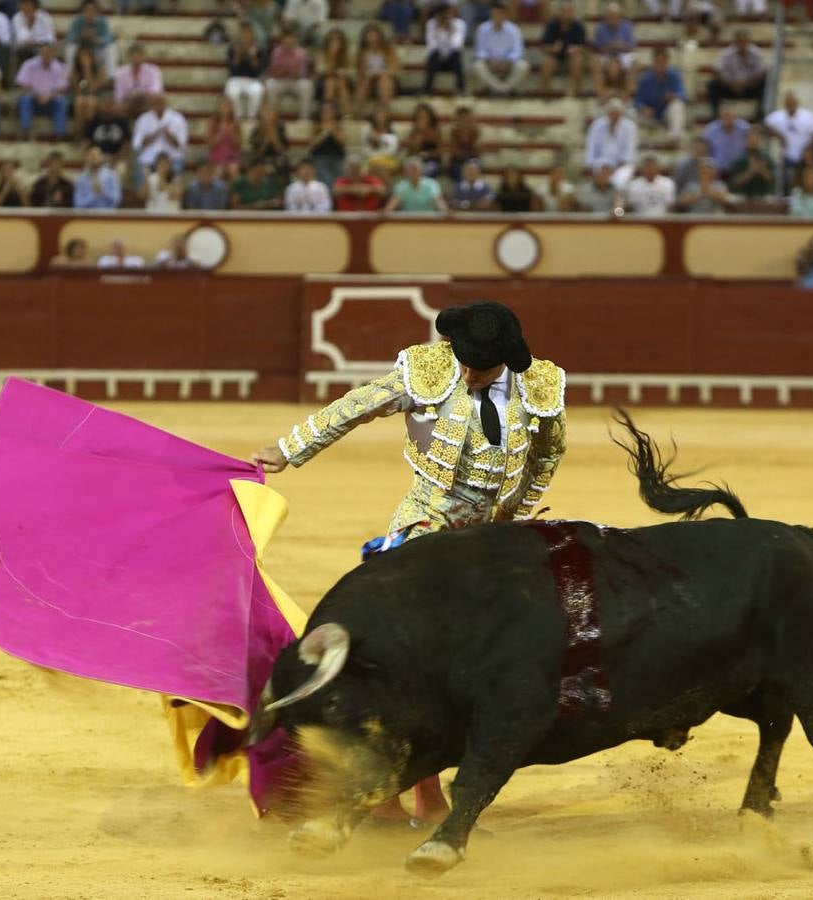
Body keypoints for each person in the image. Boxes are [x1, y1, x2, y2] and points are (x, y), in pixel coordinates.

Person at [251, 301, 567, 823]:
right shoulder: (429, 369)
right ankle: (401, 797)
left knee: (485, 666)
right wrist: (290, 448)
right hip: (424, 526)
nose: (466, 371)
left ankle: (428, 792)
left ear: (506, 360)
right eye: (463, 359)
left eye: (479, 366)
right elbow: (356, 406)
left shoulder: (539, 387)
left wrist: (519, 512)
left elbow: (549, 454)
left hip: (490, 540)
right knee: (403, 663)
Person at [765, 91, 813, 188]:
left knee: (806, 183)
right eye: (788, 103)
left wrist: (808, 149)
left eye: (793, 103)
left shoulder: (809, 116)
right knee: (787, 184)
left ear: (797, 103)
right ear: (785, 104)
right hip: (786, 157)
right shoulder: (777, 116)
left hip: (804, 158)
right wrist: (778, 135)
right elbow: (764, 127)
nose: (791, 105)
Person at [707, 29, 767, 121]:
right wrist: (731, 84)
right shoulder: (727, 53)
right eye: (740, 41)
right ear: (735, 42)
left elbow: (763, 72)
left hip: (750, 87)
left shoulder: (756, 53)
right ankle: (715, 116)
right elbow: (716, 70)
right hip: (730, 88)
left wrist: (747, 83)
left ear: (748, 41)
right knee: (712, 84)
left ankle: (760, 115)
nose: (742, 44)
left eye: (745, 41)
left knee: (765, 85)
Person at [15, 41, 70, 138]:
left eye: (49, 53)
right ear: (39, 53)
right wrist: (38, 95)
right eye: (43, 52)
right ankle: (25, 132)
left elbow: (62, 88)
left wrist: (49, 97)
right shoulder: (29, 64)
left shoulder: (59, 67)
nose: (46, 55)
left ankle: (60, 134)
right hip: (34, 98)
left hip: (51, 100)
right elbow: (23, 85)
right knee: (25, 99)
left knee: (62, 101)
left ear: (53, 54)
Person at [473, 5, 529, 97]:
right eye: (494, 14)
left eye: (499, 14)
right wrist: (489, 60)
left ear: (505, 15)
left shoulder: (513, 29)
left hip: (508, 63)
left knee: (523, 66)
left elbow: (518, 50)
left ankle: (501, 90)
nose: (496, 17)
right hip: (490, 62)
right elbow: (479, 51)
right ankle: (502, 89)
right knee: (478, 66)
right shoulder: (483, 29)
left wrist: (507, 61)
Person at [537, 1, 585, 97]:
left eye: (569, 11)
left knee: (578, 60)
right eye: (564, 11)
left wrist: (575, 49)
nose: (566, 14)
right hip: (554, 56)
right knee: (547, 62)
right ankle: (544, 93)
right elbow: (544, 46)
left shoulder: (578, 26)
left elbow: (582, 46)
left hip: (571, 57)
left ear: (573, 12)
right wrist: (553, 48)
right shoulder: (551, 25)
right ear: (560, 12)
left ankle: (578, 92)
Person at [265, 26, 313, 120]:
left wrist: (294, 73)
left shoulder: (301, 53)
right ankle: (273, 118)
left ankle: (304, 119)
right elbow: (273, 73)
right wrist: (284, 72)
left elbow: (302, 73)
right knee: (270, 84)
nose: (289, 42)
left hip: (296, 81)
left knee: (307, 85)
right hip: (281, 81)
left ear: (295, 39)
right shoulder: (276, 52)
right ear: (282, 40)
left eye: (291, 38)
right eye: (286, 39)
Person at [133, 93, 189, 172]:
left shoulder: (178, 119)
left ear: (167, 103)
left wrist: (168, 134)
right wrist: (154, 135)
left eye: (161, 102)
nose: (159, 105)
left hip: (172, 160)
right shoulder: (143, 119)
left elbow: (182, 145)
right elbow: (137, 145)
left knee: (176, 174)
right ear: (151, 104)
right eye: (156, 103)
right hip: (148, 160)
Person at [590, 2, 635, 97]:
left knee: (635, 63)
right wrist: (610, 46)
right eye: (610, 15)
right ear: (606, 16)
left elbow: (632, 46)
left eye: (614, 15)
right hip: (606, 54)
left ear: (619, 16)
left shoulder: (627, 26)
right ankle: (601, 95)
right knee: (595, 61)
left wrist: (621, 46)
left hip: (623, 54)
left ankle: (626, 95)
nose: (612, 17)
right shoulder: (600, 28)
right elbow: (597, 48)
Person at [584, 97, 637, 175]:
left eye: (617, 114)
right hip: (601, 162)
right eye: (612, 113)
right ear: (608, 113)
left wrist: (620, 164)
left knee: (623, 175)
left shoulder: (629, 127)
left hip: (621, 164)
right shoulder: (597, 125)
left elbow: (630, 148)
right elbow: (591, 145)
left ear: (621, 113)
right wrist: (589, 163)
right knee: (600, 173)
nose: (614, 116)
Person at [65, 0, 117, 77]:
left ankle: (110, 77)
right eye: (87, 10)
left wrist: (96, 39)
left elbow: (109, 38)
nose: (90, 12)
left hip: (97, 51)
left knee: (111, 47)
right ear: (83, 11)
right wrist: (82, 36)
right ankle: (70, 75)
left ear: (97, 12)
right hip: (81, 52)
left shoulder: (103, 21)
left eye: (93, 10)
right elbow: (69, 38)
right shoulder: (77, 21)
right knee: (70, 47)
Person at [356, 23, 398, 113]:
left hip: (386, 79)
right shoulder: (361, 53)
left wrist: (381, 73)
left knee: (384, 80)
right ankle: (359, 113)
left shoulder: (388, 50)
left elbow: (395, 68)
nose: (372, 37)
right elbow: (360, 72)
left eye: (374, 34)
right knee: (364, 82)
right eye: (369, 34)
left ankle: (384, 111)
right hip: (369, 81)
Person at [424, 5, 466, 95]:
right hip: (437, 59)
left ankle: (462, 89)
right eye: (445, 14)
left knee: (456, 55)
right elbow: (431, 46)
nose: (447, 17)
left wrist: (450, 32)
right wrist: (439, 31)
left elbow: (457, 45)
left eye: (449, 13)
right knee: (434, 55)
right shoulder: (431, 24)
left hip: (452, 59)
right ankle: (427, 89)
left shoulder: (459, 24)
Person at [226, 26, 265, 121]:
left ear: (252, 35)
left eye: (248, 34)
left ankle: (251, 117)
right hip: (235, 79)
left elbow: (258, 71)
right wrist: (237, 54)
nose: (246, 37)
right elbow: (232, 69)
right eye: (244, 34)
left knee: (257, 91)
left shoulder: (258, 49)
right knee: (232, 92)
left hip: (252, 80)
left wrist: (253, 57)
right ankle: (238, 117)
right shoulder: (233, 49)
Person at [307, 102, 347, 188]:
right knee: (326, 180)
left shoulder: (339, 126)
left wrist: (333, 130)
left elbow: (342, 142)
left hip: (337, 157)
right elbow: (312, 144)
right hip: (320, 157)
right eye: (325, 110)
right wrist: (324, 133)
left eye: (330, 110)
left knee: (339, 179)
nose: (327, 112)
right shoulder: (316, 126)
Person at [316, 29, 353, 117]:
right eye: (332, 40)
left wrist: (342, 73)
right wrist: (332, 56)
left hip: (345, 82)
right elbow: (320, 71)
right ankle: (329, 115)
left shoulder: (348, 54)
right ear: (327, 42)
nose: (335, 42)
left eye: (337, 40)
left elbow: (352, 72)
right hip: (323, 83)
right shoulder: (321, 54)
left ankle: (345, 115)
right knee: (330, 82)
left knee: (340, 82)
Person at [113, 43, 162, 111]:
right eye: (134, 55)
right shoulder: (121, 72)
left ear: (143, 56)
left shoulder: (153, 70)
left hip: (147, 101)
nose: (136, 57)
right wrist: (131, 96)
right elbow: (119, 95)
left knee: (155, 99)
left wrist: (142, 94)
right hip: (129, 103)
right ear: (129, 56)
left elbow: (156, 89)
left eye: (139, 55)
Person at [701, 106, 749, 173]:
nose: (727, 119)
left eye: (730, 116)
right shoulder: (711, 130)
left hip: (739, 169)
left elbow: (751, 146)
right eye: (725, 116)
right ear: (720, 117)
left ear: (735, 117)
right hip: (717, 170)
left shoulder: (744, 128)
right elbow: (703, 149)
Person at [11, 0, 56, 67]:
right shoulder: (17, 18)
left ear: (35, 6)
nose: (26, 8)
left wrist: (36, 43)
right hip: (23, 49)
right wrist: (28, 24)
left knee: (44, 50)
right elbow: (20, 39)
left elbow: (50, 38)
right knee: (23, 51)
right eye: (24, 5)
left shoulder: (46, 18)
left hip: (41, 47)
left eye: (28, 5)